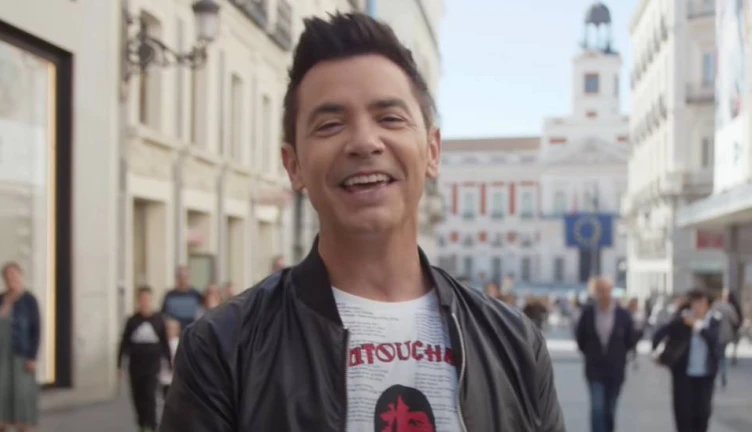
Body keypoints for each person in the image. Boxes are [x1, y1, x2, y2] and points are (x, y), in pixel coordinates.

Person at [160, 13, 564, 432]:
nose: (365, 143)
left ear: (432, 151)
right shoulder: (222, 349)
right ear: (293, 165)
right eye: (330, 125)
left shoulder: (515, 343)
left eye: (390, 118)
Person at [652, 288, 721, 432]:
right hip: (683, 376)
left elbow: (713, 340)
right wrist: (657, 353)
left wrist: (697, 325)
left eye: (702, 303)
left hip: (705, 377)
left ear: (707, 305)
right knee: (683, 417)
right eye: (695, 303)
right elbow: (660, 333)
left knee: (702, 416)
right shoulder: (681, 321)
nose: (698, 307)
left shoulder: (713, 322)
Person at [0, 262, 41, 432]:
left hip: (18, 355)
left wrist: (32, 357)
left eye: (14, 274)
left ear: (21, 276)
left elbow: (36, 330)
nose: (11, 278)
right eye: (7, 276)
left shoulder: (29, 300)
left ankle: (21, 428)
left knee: (20, 394)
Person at [575, 277, 637, 432]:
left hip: (616, 369)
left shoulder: (623, 315)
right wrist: (591, 353)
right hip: (594, 369)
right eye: (600, 291)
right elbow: (580, 338)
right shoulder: (588, 314)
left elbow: (630, 340)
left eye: (607, 290)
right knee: (597, 408)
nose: (604, 294)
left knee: (610, 409)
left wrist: (619, 354)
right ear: (595, 293)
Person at [118, 286, 172, 432]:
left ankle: (152, 425)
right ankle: (142, 424)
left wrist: (169, 362)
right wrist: (120, 365)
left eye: (147, 299)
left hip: (152, 365)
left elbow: (165, 342)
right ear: (138, 300)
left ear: (151, 300)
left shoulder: (158, 320)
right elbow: (124, 343)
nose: (145, 302)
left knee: (150, 395)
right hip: (136, 365)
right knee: (138, 396)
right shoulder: (132, 321)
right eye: (142, 299)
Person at [711, 288, 740, 388]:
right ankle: (723, 374)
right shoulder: (729, 307)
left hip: (715, 336)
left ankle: (715, 376)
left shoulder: (715, 306)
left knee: (715, 357)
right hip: (725, 336)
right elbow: (735, 321)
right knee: (722, 357)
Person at [161, 266, 203, 332]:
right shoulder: (169, 295)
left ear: (189, 278)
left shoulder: (196, 294)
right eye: (180, 277)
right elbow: (163, 314)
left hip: (192, 329)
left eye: (185, 277)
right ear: (176, 278)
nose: (182, 280)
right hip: (174, 330)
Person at [159, 319, 181, 400]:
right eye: (168, 328)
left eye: (172, 329)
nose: (170, 331)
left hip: (175, 379)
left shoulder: (180, 344)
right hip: (163, 378)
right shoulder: (161, 343)